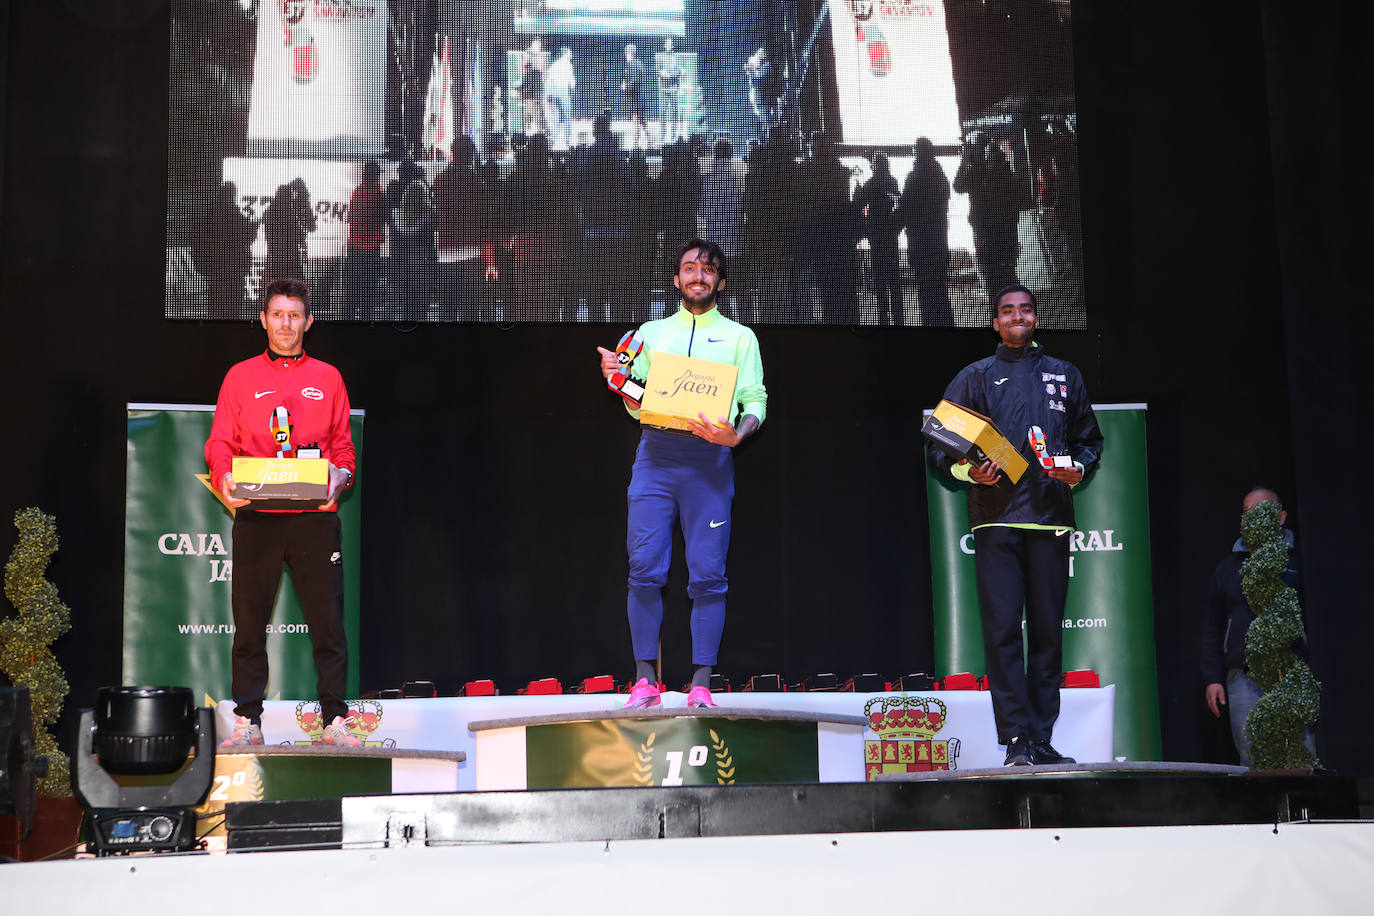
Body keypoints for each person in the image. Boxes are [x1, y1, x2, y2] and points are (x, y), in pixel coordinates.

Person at [929, 284, 1102, 765]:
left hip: (1050, 521)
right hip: (996, 521)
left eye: (1025, 310)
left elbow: (1090, 441)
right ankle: (1016, 742)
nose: (1017, 317)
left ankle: (1042, 739)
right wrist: (970, 471)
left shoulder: (1065, 376)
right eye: (1008, 312)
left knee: (1047, 633)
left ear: (1036, 318)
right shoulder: (975, 377)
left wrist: (1078, 469)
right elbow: (939, 451)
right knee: (1004, 631)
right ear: (995, 323)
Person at [595, 239, 767, 709]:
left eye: (708, 269)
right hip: (656, 458)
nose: (698, 275)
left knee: (708, 575)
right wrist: (618, 379)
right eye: (690, 268)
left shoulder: (740, 338)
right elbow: (635, 398)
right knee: (644, 569)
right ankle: (645, 681)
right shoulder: (650, 333)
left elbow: (755, 401)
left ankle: (702, 684)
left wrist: (737, 436)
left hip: (709, 466)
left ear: (721, 283)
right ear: (676, 280)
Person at [206, 278, 359, 748]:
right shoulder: (240, 376)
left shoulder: (329, 377)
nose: (286, 324)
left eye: (295, 316)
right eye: (277, 315)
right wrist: (222, 472)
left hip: (314, 517)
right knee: (248, 623)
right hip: (258, 516)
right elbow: (220, 442)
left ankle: (335, 719)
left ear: (308, 323)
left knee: (327, 622)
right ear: (264, 320)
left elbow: (344, 450)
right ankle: (248, 720)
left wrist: (340, 476)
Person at [1201, 488, 1311, 767]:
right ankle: (1261, 812)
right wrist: (1212, 678)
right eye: (1250, 512)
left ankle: (1305, 811)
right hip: (1244, 680)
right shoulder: (1227, 568)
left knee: (1301, 756)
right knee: (1252, 760)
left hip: (1291, 675)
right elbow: (1212, 626)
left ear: (1281, 517)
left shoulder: (1300, 561)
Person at [900, 137, 952, 325]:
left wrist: (886, 228)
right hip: (939, 242)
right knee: (940, 292)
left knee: (927, 295)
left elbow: (904, 208)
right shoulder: (940, 177)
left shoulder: (914, 178)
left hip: (921, 244)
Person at [343, 161, 386, 316]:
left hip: (354, 248)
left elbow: (351, 217)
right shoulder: (378, 194)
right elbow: (382, 218)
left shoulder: (357, 191)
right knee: (369, 292)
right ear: (376, 176)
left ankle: (346, 323)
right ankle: (366, 325)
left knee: (352, 292)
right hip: (371, 250)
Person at [543, 47, 576, 150]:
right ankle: (567, 139)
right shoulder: (567, 65)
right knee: (566, 116)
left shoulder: (554, 65)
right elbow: (572, 82)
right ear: (565, 55)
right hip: (562, 91)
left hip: (554, 93)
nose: (570, 56)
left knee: (556, 116)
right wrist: (572, 90)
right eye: (569, 54)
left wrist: (548, 95)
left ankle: (554, 138)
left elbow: (547, 79)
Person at [620, 44, 648, 151]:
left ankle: (635, 145)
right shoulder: (640, 64)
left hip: (635, 98)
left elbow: (634, 82)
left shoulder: (632, 64)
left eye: (626, 54)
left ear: (629, 54)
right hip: (642, 96)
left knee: (636, 122)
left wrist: (624, 86)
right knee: (642, 121)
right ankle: (651, 141)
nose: (625, 56)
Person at [656, 39, 684, 144]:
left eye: (670, 44)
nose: (668, 46)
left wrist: (670, 74)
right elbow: (657, 70)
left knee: (674, 112)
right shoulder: (660, 57)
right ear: (664, 45)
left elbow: (680, 70)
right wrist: (662, 73)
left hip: (673, 89)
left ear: (672, 46)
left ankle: (673, 135)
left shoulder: (676, 57)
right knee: (662, 112)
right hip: (663, 89)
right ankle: (662, 135)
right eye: (667, 44)